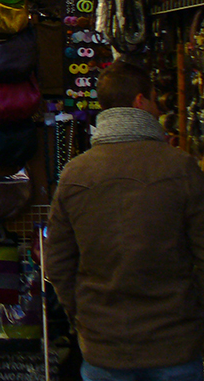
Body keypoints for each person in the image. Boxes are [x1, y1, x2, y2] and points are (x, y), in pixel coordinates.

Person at [45, 59, 204, 380]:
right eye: (155, 100)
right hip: (174, 341)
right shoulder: (180, 168)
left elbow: (58, 261)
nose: (159, 110)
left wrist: (83, 314)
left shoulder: (76, 173)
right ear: (139, 101)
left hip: (104, 343)